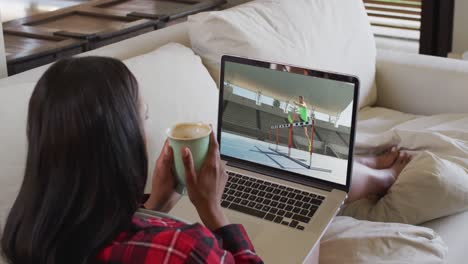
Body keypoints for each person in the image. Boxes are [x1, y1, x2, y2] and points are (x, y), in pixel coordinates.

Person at [0, 57, 263, 264]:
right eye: (143, 118)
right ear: (122, 140)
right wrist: (212, 209)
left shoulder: (24, 235)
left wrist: (154, 205)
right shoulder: (184, 249)